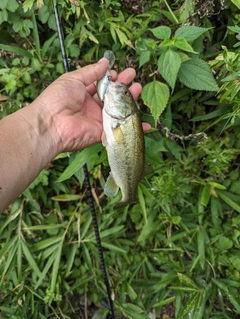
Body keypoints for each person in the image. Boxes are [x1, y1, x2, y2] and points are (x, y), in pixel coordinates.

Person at [0, 58, 151, 212]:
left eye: (125, 94)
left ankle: (128, 196)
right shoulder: (121, 119)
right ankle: (128, 195)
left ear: (128, 111)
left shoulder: (123, 119)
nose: (121, 90)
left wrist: (48, 124)